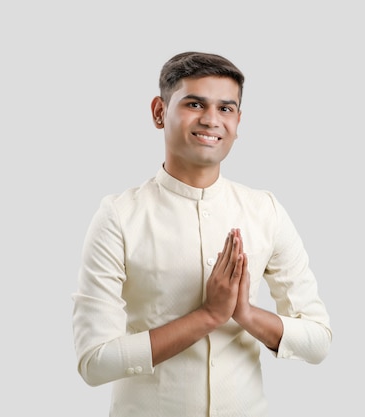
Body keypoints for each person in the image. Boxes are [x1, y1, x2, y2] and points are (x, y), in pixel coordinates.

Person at [71, 51, 332, 417]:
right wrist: (207, 316)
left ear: (239, 121)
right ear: (159, 112)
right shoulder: (118, 217)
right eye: (195, 104)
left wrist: (245, 314)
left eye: (226, 109)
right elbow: (94, 362)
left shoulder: (266, 211)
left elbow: (318, 341)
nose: (211, 120)